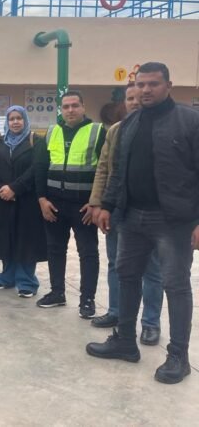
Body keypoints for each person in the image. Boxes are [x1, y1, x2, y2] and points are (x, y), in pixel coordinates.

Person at [87, 62, 199, 385]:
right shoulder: (129, 123)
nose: (145, 90)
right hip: (131, 217)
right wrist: (107, 205)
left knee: (175, 285)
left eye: (153, 84)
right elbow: (117, 171)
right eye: (141, 84)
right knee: (126, 276)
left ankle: (178, 356)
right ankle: (125, 341)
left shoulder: (190, 121)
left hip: (173, 221)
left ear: (168, 86)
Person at [88, 84, 163, 345]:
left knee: (152, 269)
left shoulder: (162, 128)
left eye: (137, 98)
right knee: (116, 264)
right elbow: (103, 169)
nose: (134, 102)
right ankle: (116, 312)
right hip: (118, 209)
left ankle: (150, 323)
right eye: (129, 98)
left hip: (151, 212)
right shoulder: (116, 130)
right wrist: (97, 203)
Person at [35, 91, 105, 318]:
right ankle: (57, 293)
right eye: (65, 106)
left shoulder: (97, 131)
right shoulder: (52, 132)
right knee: (55, 249)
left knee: (88, 252)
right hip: (54, 204)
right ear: (61, 109)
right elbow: (40, 167)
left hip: (84, 207)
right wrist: (42, 199)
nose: (70, 110)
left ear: (83, 107)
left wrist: (96, 202)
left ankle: (87, 300)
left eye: (75, 105)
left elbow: (105, 169)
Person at [0, 106, 47, 297]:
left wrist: (14, 188)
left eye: (19, 118)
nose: (15, 122)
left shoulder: (36, 141)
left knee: (26, 239)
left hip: (26, 199)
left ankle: (27, 281)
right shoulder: (0, 142)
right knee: (6, 238)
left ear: (25, 120)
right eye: (11, 119)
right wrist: (0, 188)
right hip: (2, 200)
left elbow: (37, 168)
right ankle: (7, 276)